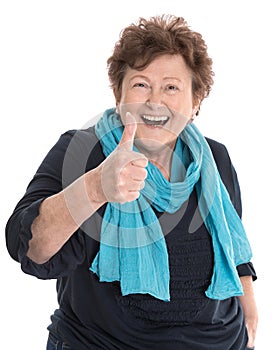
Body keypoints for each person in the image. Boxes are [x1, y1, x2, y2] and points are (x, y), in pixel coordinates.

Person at [5, 14, 258, 350]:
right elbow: (30, 250)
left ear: (196, 101)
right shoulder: (83, 151)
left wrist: (250, 324)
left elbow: (232, 251)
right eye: (141, 84)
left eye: (171, 87)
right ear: (118, 93)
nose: (155, 101)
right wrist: (95, 188)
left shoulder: (214, 159)